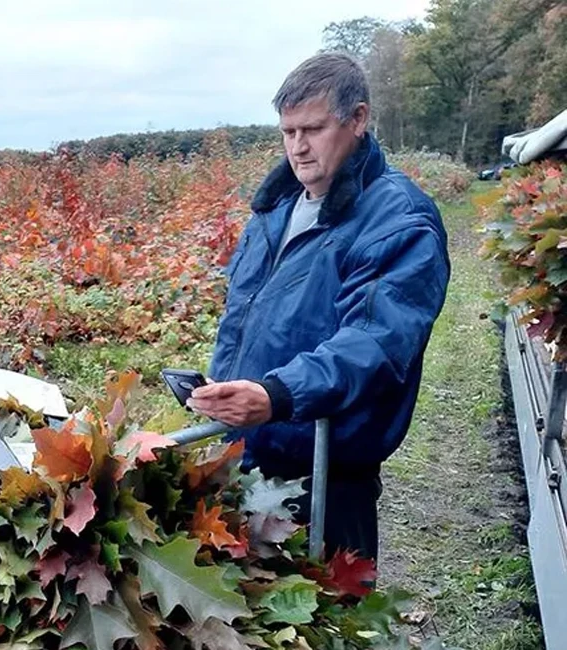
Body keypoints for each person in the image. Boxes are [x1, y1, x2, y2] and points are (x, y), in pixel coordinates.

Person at [186, 52, 450, 564]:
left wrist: (279, 394)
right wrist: (224, 390)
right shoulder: (274, 211)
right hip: (247, 460)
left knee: (328, 600)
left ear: (358, 119)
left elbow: (375, 343)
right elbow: (244, 319)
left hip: (327, 477)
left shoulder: (398, 220)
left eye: (313, 129)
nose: (298, 147)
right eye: (288, 132)